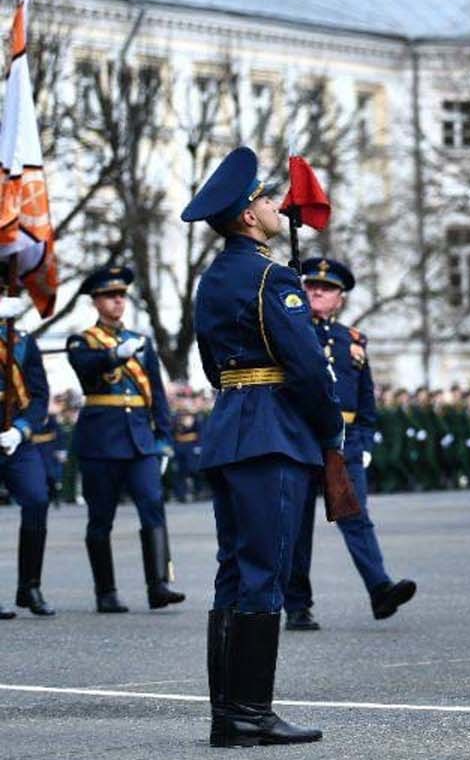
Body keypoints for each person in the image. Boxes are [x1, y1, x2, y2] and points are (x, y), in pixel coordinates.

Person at [184, 146, 338, 746]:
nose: (276, 207)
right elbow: (304, 367)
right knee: (263, 574)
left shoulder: (214, 279)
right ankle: (250, 713)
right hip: (273, 433)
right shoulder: (274, 277)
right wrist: (330, 431)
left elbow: (209, 365)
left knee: (234, 573)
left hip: (231, 428)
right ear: (249, 217)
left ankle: (231, 713)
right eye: (266, 201)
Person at [282, 257, 417, 631]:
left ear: (339, 298)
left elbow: (366, 398)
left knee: (355, 518)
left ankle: (380, 590)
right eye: (310, 286)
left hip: (344, 444)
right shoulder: (291, 332)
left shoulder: (351, 340)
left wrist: (366, 438)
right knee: (296, 527)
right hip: (302, 438)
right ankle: (297, 605)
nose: (316, 292)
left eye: (325, 289)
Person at [64, 265, 184, 613]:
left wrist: (163, 437)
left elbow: (157, 394)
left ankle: (159, 584)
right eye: (110, 296)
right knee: (101, 517)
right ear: (96, 301)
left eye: (121, 296)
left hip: (140, 440)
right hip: (101, 440)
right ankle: (106, 591)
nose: (117, 302)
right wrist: (113, 355)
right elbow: (85, 366)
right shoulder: (82, 340)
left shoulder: (141, 343)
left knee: (153, 505)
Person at [1, 293, 52, 619]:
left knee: (37, 499)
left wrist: (20, 429)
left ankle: (29, 585)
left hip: (16, 439)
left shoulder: (22, 342)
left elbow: (39, 394)